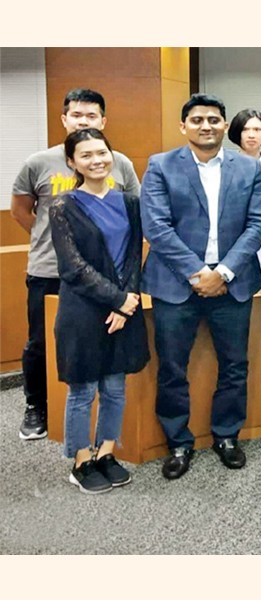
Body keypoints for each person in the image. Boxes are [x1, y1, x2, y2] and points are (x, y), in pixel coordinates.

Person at [141, 93, 261, 480]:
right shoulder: (161, 166)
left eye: (214, 119)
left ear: (224, 125)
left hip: (233, 283)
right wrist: (199, 274)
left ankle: (227, 436)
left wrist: (224, 272)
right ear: (184, 126)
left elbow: (257, 224)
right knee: (173, 368)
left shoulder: (248, 169)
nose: (206, 126)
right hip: (176, 285)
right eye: (197, 120)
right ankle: (178, 441)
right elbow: (157, 228)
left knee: (234, 366)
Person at [11, 88, 140, 441]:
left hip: (109, 280)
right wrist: (53, 238)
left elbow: (135, 219)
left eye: (91, 116)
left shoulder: (120, 163)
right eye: (77, 115)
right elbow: (22, 210)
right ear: (64, 118)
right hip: (50, 270)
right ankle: (36, 406)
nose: (83, 120)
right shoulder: (39, 162)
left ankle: (102, 436)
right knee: (41, 342)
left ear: (103, 121)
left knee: (104, 351)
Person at [49, 128, 149, 494]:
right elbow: (72, 267)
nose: (97, 161)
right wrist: (116, 299)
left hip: (123, 307)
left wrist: (129, 300)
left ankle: (107, 452)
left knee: (115, 388)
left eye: (102, 153)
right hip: (83, 309)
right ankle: (80, 461)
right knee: (83, 390)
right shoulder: (62, 206)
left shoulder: (129, 201)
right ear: (73, 162)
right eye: (86, 155)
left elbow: (135, 255)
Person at [228, 108, 261, 277]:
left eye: (257, 130)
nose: (251, 135)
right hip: (233, 241)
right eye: (245, 129)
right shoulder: (224, 167)